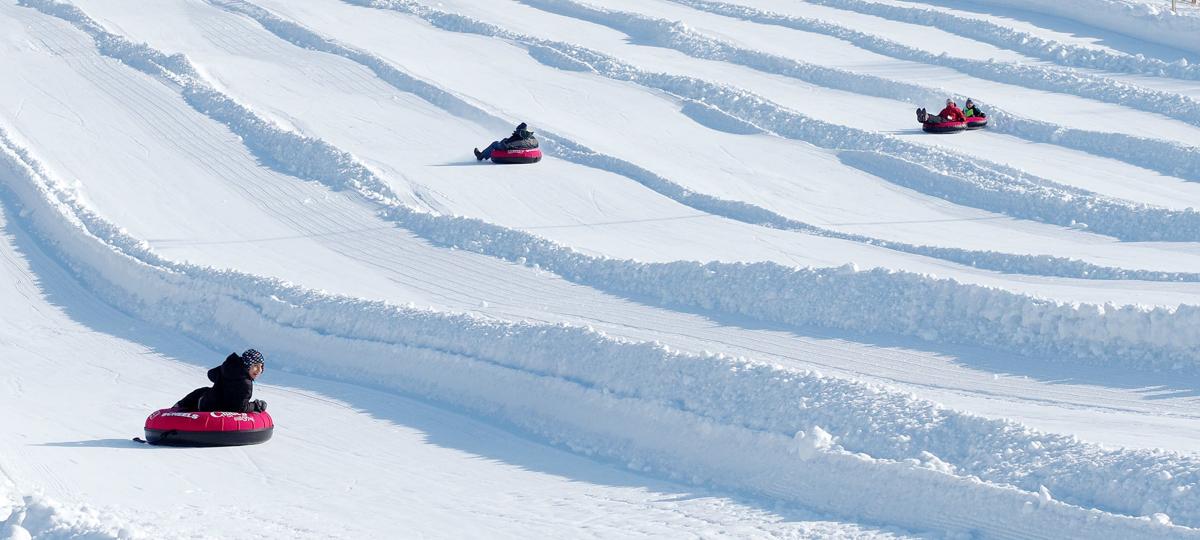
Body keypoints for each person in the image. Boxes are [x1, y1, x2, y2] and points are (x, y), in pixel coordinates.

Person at [175, 349, 267, 413]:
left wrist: (224, 377)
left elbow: (211, 374)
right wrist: (255, 406)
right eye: (255, 365)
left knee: (202, 391)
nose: (259, 370)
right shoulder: (245, 383)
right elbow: (240, 407)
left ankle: (177, 407)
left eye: (261, 366)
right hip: (213, 409)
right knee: (207, 393)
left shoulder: (230, 367)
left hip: (204, 399)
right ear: (247, 365)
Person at [474, 122, 539, 161]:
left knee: (495, 143)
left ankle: (480, 156)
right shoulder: (530, 138)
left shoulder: (517, 137)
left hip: (510, 148)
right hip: (521, 148)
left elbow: (507, 145)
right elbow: (536, 144)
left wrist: (504, 141)